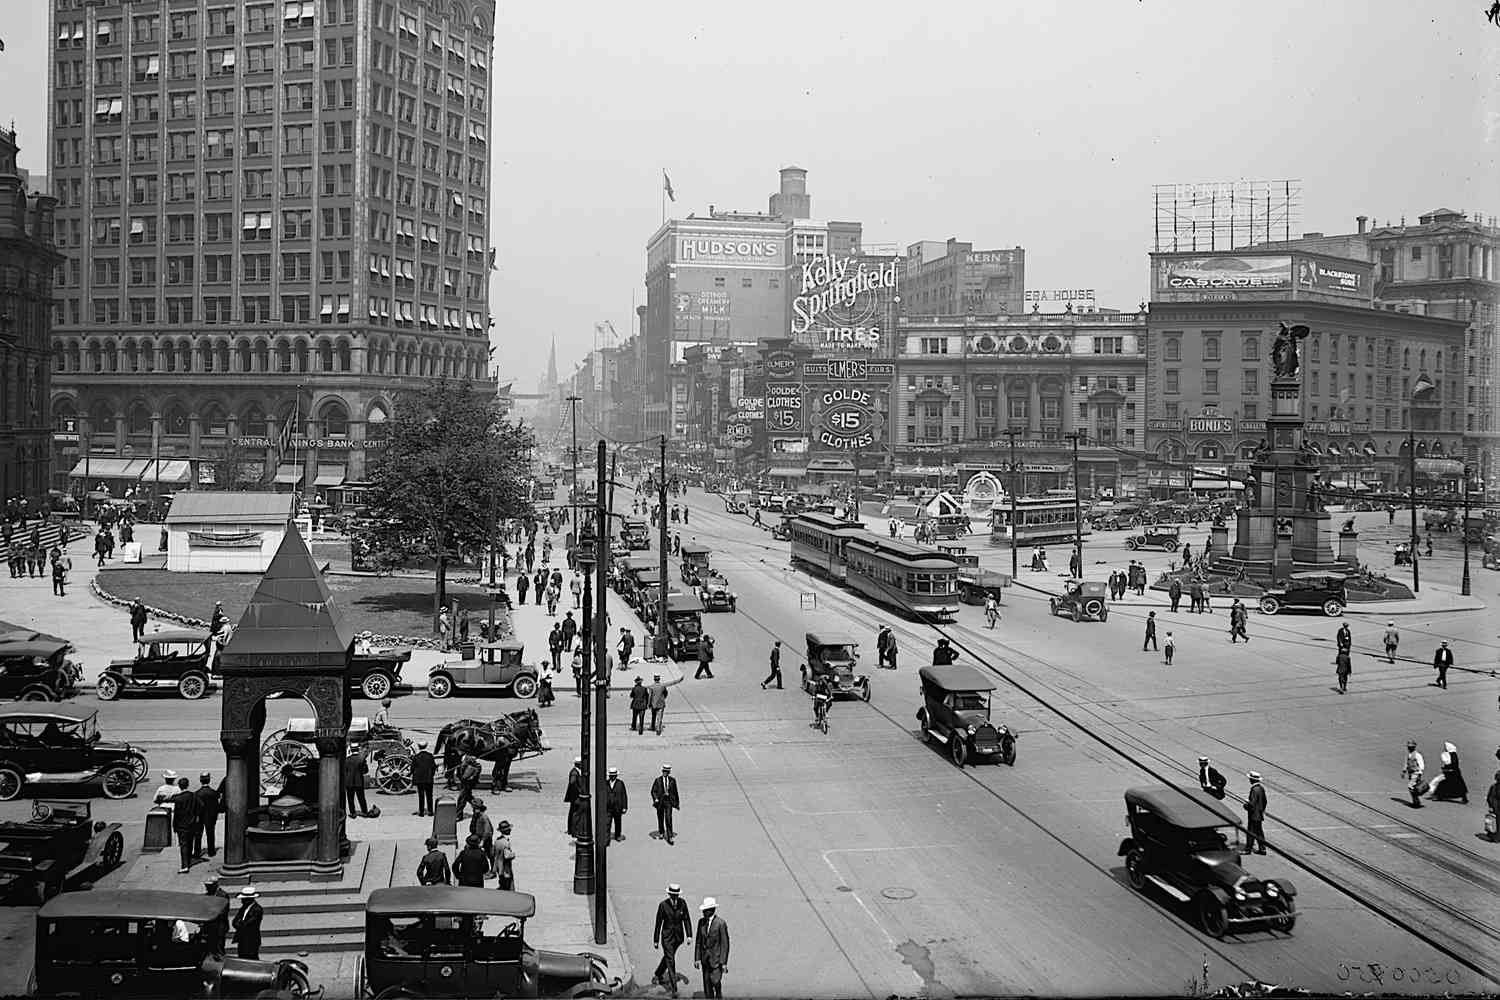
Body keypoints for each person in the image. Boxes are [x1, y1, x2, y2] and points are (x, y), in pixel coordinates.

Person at [653, 884, 694, 998]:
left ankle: (658, 973)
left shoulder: (682, 903)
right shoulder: (663, 905)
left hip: (678, 938)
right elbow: (658, 923)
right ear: (669, 894)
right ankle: (674, 988)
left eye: (677, 895)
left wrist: (689, 935)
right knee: (671, 960)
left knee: (668, 956)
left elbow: (686, 919)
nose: (675, 897)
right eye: (673, 895)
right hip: (667, 937)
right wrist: (656, 940)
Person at [694, 897, 730, 999]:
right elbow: (698, 942)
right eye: (703, 910)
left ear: (712, 910)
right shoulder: (701, 922)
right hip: (705, 959)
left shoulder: (720, 923)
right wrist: (697, 958)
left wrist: (723, 963)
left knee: (715, 981)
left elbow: (725, 944)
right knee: (707, 984)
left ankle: (718, 993)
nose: (704, 912)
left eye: (706, 910)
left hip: (716, 959)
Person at [171, 777, 200, 874]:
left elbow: (177, 814)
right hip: (192, 824)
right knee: (190, 841)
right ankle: (188, 859)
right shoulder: (193, 796)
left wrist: (174, 826)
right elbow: (201, 805)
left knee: (183, 844)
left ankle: (185, 865)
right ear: (187, 785)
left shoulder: (178, 799)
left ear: (179, 786)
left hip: (181, 825)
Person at [194, 772, 221, 859]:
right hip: (210, 816)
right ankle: (211, 851)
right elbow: (217, 806)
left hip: (200, 816)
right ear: (209, 780)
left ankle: (197, 852)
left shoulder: (197, 794)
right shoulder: (214, 793)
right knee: (210, 834)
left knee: (198, 835)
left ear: (200, 780)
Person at [232, 886, 264, 960]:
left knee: (251, 960)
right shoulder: (243, 908)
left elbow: (249, 924)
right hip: (242, 939)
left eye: (243, 899)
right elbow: (235, 921)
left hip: (251, 940)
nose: (241, 901)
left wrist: (240, 923)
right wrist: (239, 923)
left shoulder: (257, 909)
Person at [652, 763, 679, 845]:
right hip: (660, 802)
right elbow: (653, 791)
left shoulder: (672, 780)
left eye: (667, 771)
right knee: (660, 817)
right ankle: (661, 832)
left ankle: (669, 836)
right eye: (664, 771)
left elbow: (675, 792)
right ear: (662, 771)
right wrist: (656, 798)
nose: (665, 773)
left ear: (669, 772)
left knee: (668, 818)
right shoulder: (657, 780)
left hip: (668, 802)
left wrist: (677, 803)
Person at [411, 741, 437, 816]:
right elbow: (433, 767)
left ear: (419, 747)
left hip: (419, 780)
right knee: (429, 796)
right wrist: (431, 775)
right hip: (429, 779)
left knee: (421, 796)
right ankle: (430, 811)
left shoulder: (416, 757)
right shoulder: (430, 756)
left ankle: (421, 812)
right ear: (426, 746)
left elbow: (412, 768)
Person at [1244, 772, 1268, 855]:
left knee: (1251, 831)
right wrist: (1261, 810)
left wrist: (1246, 805)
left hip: (1253, 815)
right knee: (1259, 832)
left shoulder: (1254, 789)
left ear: (1252, 780)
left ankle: (1248, 849)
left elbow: (1252, 803)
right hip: (1259, 814)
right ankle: (1262, 849)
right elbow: (1264, 801)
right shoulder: (1261, 788)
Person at [343, 746, 369, 818]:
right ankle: (364, 812)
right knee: (361, 798)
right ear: (358, 750)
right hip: (359, 782)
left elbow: (344, 771)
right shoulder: (361, 759)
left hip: (349, 782)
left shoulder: (347, 760)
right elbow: (365, 771)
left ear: (351, 750)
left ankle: (352, 813)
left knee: (350, 798)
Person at [454, 753, 482, 819]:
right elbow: (459, 774)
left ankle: (459, 815)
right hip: (463, 783)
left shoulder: (476, 766)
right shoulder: (462, 764)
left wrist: (469, 762)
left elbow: (474, 774)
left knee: (461, 799)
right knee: (468, 797)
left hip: (468, 784)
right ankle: (479, 806)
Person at [469, 799, 495, 871]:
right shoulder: (476, 815)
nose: (473, 810)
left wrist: (482, 841)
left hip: (485, 838)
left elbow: (488, 831)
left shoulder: (484, 817)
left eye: (474, 808)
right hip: (478, 836)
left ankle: (493, 870)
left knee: (490, 854)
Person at [606, 766, 629, 841]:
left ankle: (617, 835)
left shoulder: (620, 783)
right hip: (608, 807)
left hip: (617, 807)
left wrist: (624, 807)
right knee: (607, 823)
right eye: (611, 775)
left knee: (618, 822)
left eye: (613, 775)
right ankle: (606, 837)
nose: (612, 776)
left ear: (616, 775)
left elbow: (624, 795)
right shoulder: (606, 783)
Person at [1403, 740, 1426, 808]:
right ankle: (1416, 802)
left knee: (1411, 786)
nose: (1409, 748)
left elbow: (1421, 765)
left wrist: (1418, 771)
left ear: (1414, 747)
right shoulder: (1409, 755)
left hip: (1416, 773)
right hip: (1411, 773)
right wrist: (1404, 771)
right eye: (1409, 747)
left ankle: (1416, 802)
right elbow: (1407, 763)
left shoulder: (1417, 755)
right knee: (1414, 788)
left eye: (1411, 747)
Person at [494, 820, 516, 890]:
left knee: (502, 884)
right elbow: (507, 856)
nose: (510, 830)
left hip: (499, 868)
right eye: (509, 829)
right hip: (506, 870)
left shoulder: (497, 841)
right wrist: (513, 854)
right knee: (508, 888)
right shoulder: (506, 843)